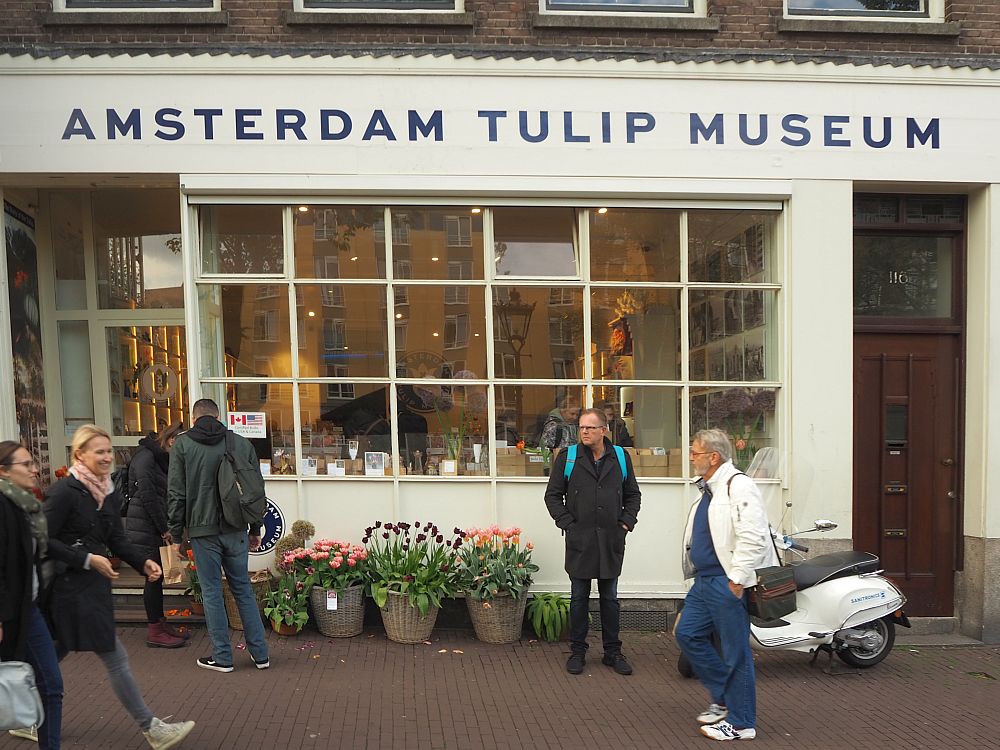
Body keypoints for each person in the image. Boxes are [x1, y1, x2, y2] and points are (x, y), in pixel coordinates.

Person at [43, 425, 196, 749]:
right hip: (69, 589)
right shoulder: (64, 492)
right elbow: (44, 541)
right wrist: (86, 559)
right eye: (98, 451)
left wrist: (143, 563)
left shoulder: (108, 491)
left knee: (51, 655)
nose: (106, 456)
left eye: (109, 450)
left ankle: (25, 713)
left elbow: (116, 539)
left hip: (92, 588)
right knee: (114, 657)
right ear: (79, 454)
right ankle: (151, 727)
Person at [675, 428, 778, 742]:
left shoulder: (739, 485)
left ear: (713, 456)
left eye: (694, 453)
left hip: (726, 582)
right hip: (705, 581)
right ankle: (724, 695)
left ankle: (741, 722)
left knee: (735, 652)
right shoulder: (708, 488)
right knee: (687, 633)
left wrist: (737, 578)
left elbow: (754, 534)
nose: (691, 458)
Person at [167, 398, 270, 674]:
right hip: (236, 529)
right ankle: (261, 655)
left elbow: (176, 494)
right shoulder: (240, 443)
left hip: (203, 532)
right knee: (243, 590)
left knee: (212, 592)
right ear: (218, 416)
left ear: (194, 418)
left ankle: (223, 658)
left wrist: (177, 535)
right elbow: (255, 490)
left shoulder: (183, 446)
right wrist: (255, 527)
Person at [543, 407, 641, 676]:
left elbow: (633, 494)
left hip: (611, 539)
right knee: (578, 598)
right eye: (581, 427)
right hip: (580, 540)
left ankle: (613, 652)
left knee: (610, 598)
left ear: (603, 430)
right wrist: (568, 525)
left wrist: (625, 524)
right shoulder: (568, 458)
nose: (584, 431)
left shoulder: (620, 457)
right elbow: (552, 496)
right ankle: (577, 652)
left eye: (590, 427)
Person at [1, 441, 63, 749]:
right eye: (25, 464)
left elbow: (43, 550)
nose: (34, 469)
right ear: (4, 471)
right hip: (8, 613)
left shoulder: (25, 504)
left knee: (51, 685)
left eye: (32, 462)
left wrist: (87, 559)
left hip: (29, 608)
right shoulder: (3, 507)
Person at [125, 424, 188, 649]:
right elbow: (148, 496)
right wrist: (165, 528)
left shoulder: (158, 458)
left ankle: (161, 623)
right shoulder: (146, 458)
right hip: (145, 526)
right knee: (153, 577)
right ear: (171, 441)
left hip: (152, 524)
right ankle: (155, 630)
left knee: (158, 576)